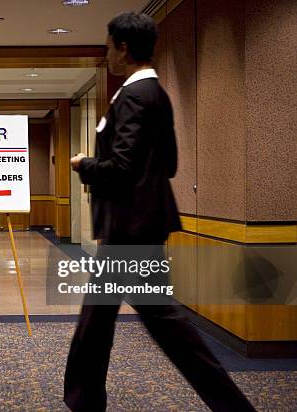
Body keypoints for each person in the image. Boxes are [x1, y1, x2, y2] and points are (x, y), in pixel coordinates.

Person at [64, 12, 255, 412]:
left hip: (131, 231)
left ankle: (233, 405)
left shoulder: (136, 94)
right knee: (98, 323)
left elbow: (122, 167)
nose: (106, 55)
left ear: (124, 47)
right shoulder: (155, 94)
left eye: (108, 46)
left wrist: (84, 164)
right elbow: (166, 165)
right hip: (134, 226)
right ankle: (83, 400)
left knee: (163, 323)